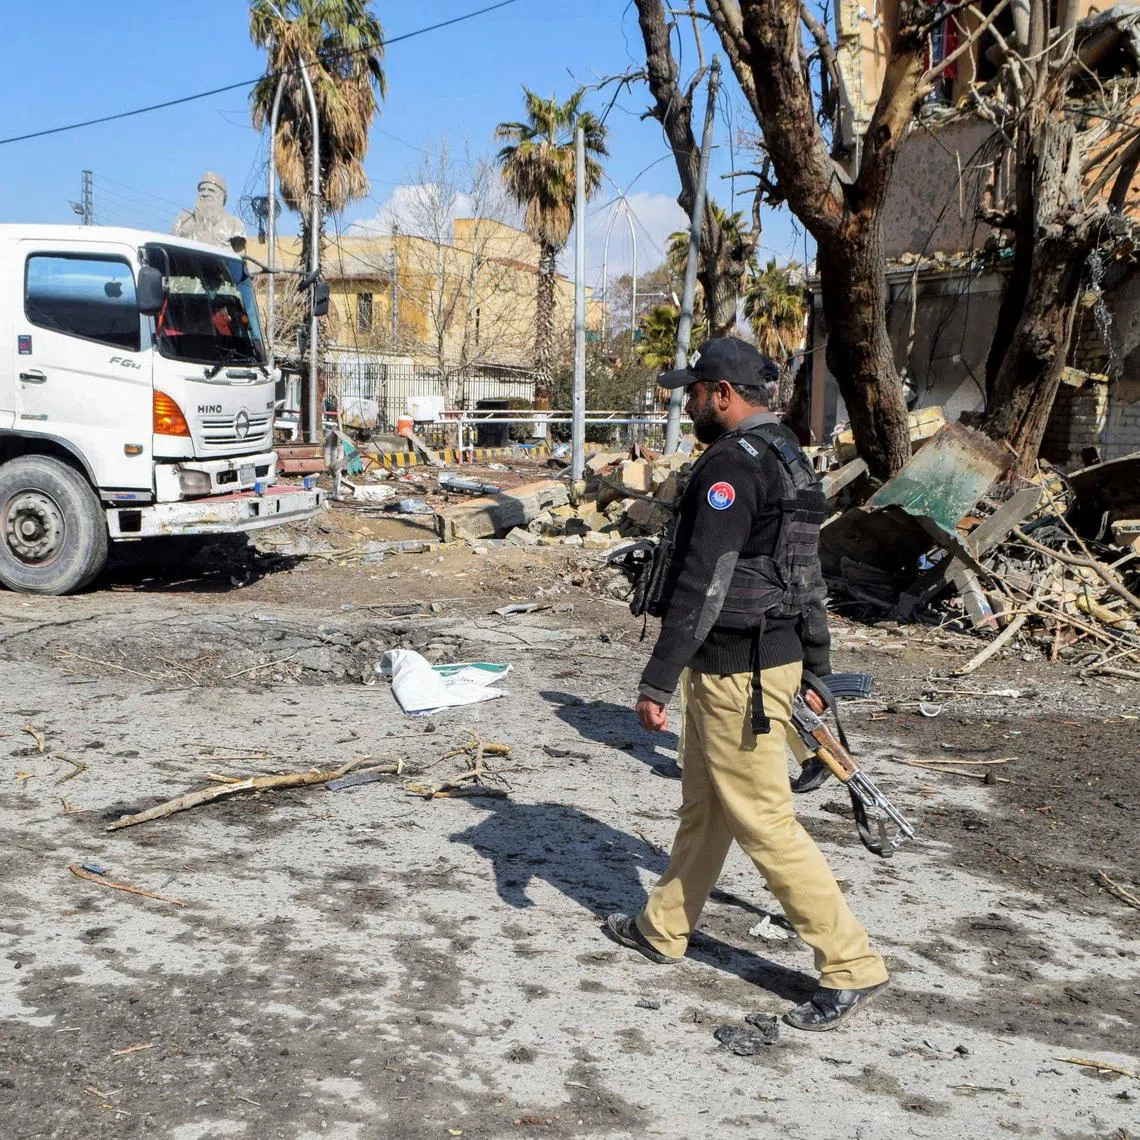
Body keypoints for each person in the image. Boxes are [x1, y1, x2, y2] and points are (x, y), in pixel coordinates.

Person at [604, 337, 889, 1032]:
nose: (688, 404)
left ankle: (850, 964)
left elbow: (705, 582)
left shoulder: (732, 464)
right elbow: (807, 576)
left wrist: (656, 680)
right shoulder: (789, 455)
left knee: (765, 822)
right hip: (759, 664)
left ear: (723, 395)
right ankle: (662, 928)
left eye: (695, 392)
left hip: (739, 675)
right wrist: (816, 665)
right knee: (705, 809)